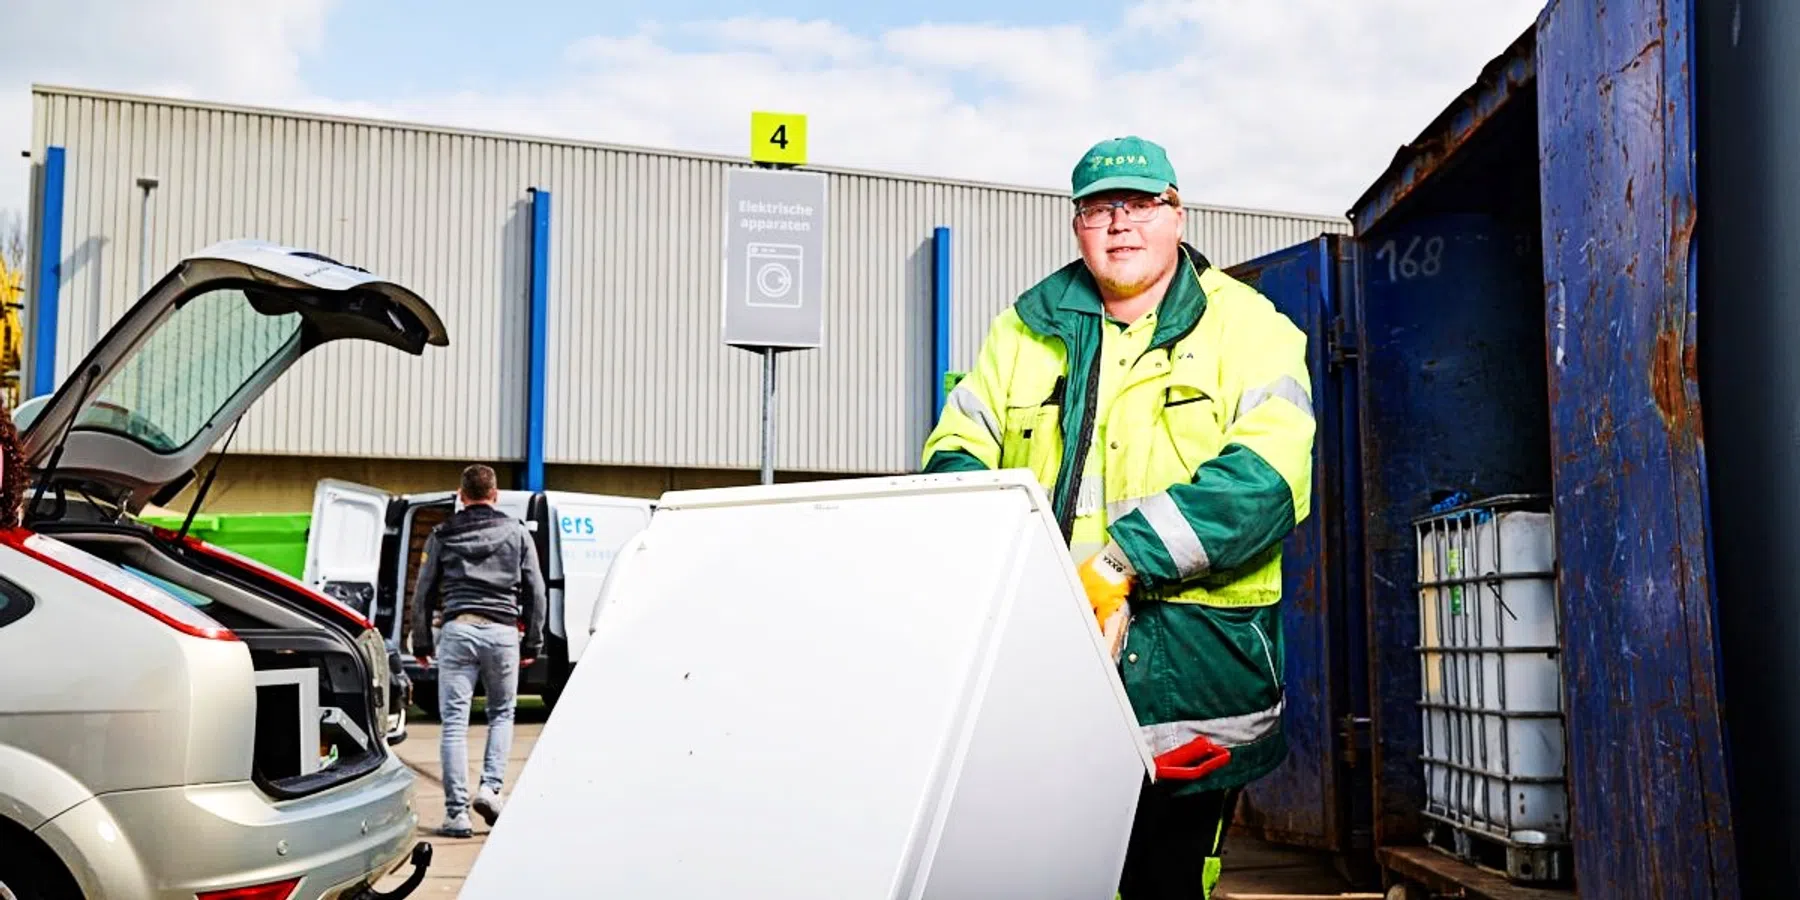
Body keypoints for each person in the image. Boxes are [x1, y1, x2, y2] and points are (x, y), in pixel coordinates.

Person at [920, 135, 1315, 899]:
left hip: (1193, 687)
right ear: (1076, 224)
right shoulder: (1022, 331)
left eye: (1140, 205)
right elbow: (957, 453)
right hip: (1048, 670)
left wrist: (1117, 561)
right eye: (1100, 208)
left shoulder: (1249, 327)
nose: (1120, 224)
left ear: (1177, 214)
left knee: (1163, 880)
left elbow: (1264, 482)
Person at [411, 464, 547, 838]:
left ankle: (457, 815)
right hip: (503, 632)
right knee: (502, 713)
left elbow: (424, 591)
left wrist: (421, 641)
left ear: (461, 495)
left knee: (454, 722)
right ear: (496, 494)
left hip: (458, 628)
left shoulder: (442, 533)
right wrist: (532, 641)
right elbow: (535, 590)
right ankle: (490, 789)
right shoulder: (517, 532)